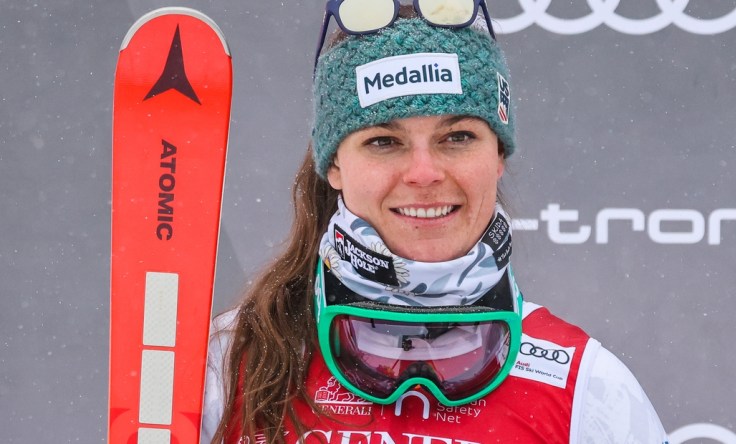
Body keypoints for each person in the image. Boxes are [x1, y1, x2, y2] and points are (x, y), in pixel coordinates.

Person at [202, 1, 668, 443]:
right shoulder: (230, 362)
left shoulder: (586, 387)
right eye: (385, 141)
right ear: (335, 166)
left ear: (498, 155)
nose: (424, 173)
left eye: (458, 137)